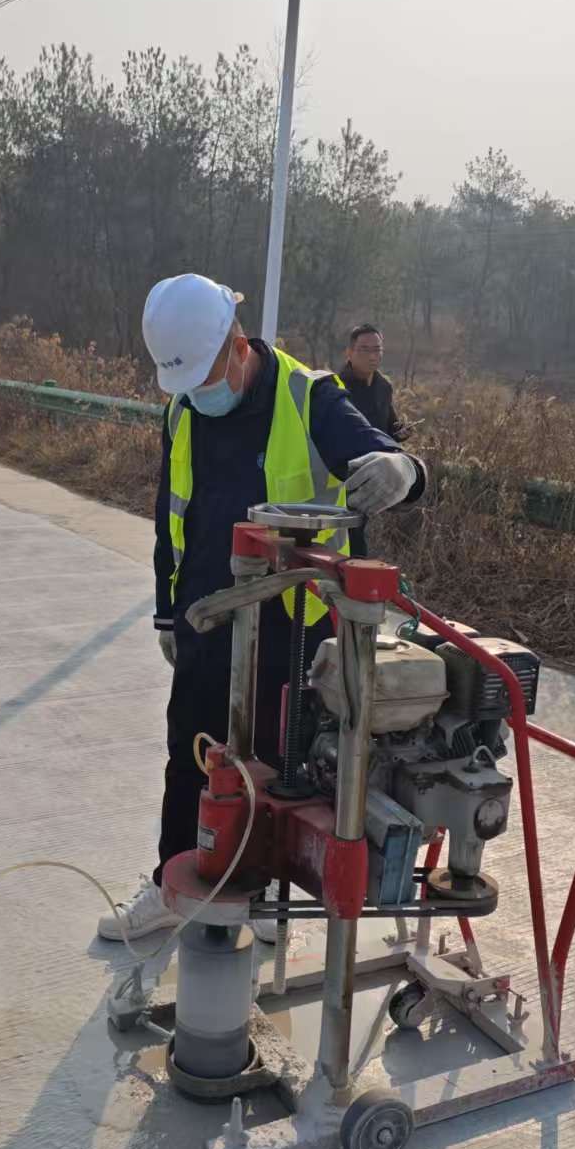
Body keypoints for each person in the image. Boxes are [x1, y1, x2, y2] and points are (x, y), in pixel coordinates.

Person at [95, 274, 427, 943]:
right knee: (191, 756)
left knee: (281, 769)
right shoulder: (184, 408)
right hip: (208, 611)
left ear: (238, 347)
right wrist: (168, 610)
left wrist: (405, 472)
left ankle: (265, 897)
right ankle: (173, 883)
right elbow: (171, 515)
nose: (197, 393)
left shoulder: (310, 398)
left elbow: (385, 458)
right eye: (184, 383)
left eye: (203, 377)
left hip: (292, 625)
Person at [337, 324, 405, 558]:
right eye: (364, 350)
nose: (372, 356)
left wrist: (399, 433)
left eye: (377, 349)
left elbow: (390, 425)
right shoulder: (336, 388)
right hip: (341, 474)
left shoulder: (383, 387)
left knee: (359, 535)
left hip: (373, 474)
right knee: (344, 537)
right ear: (349, 353)